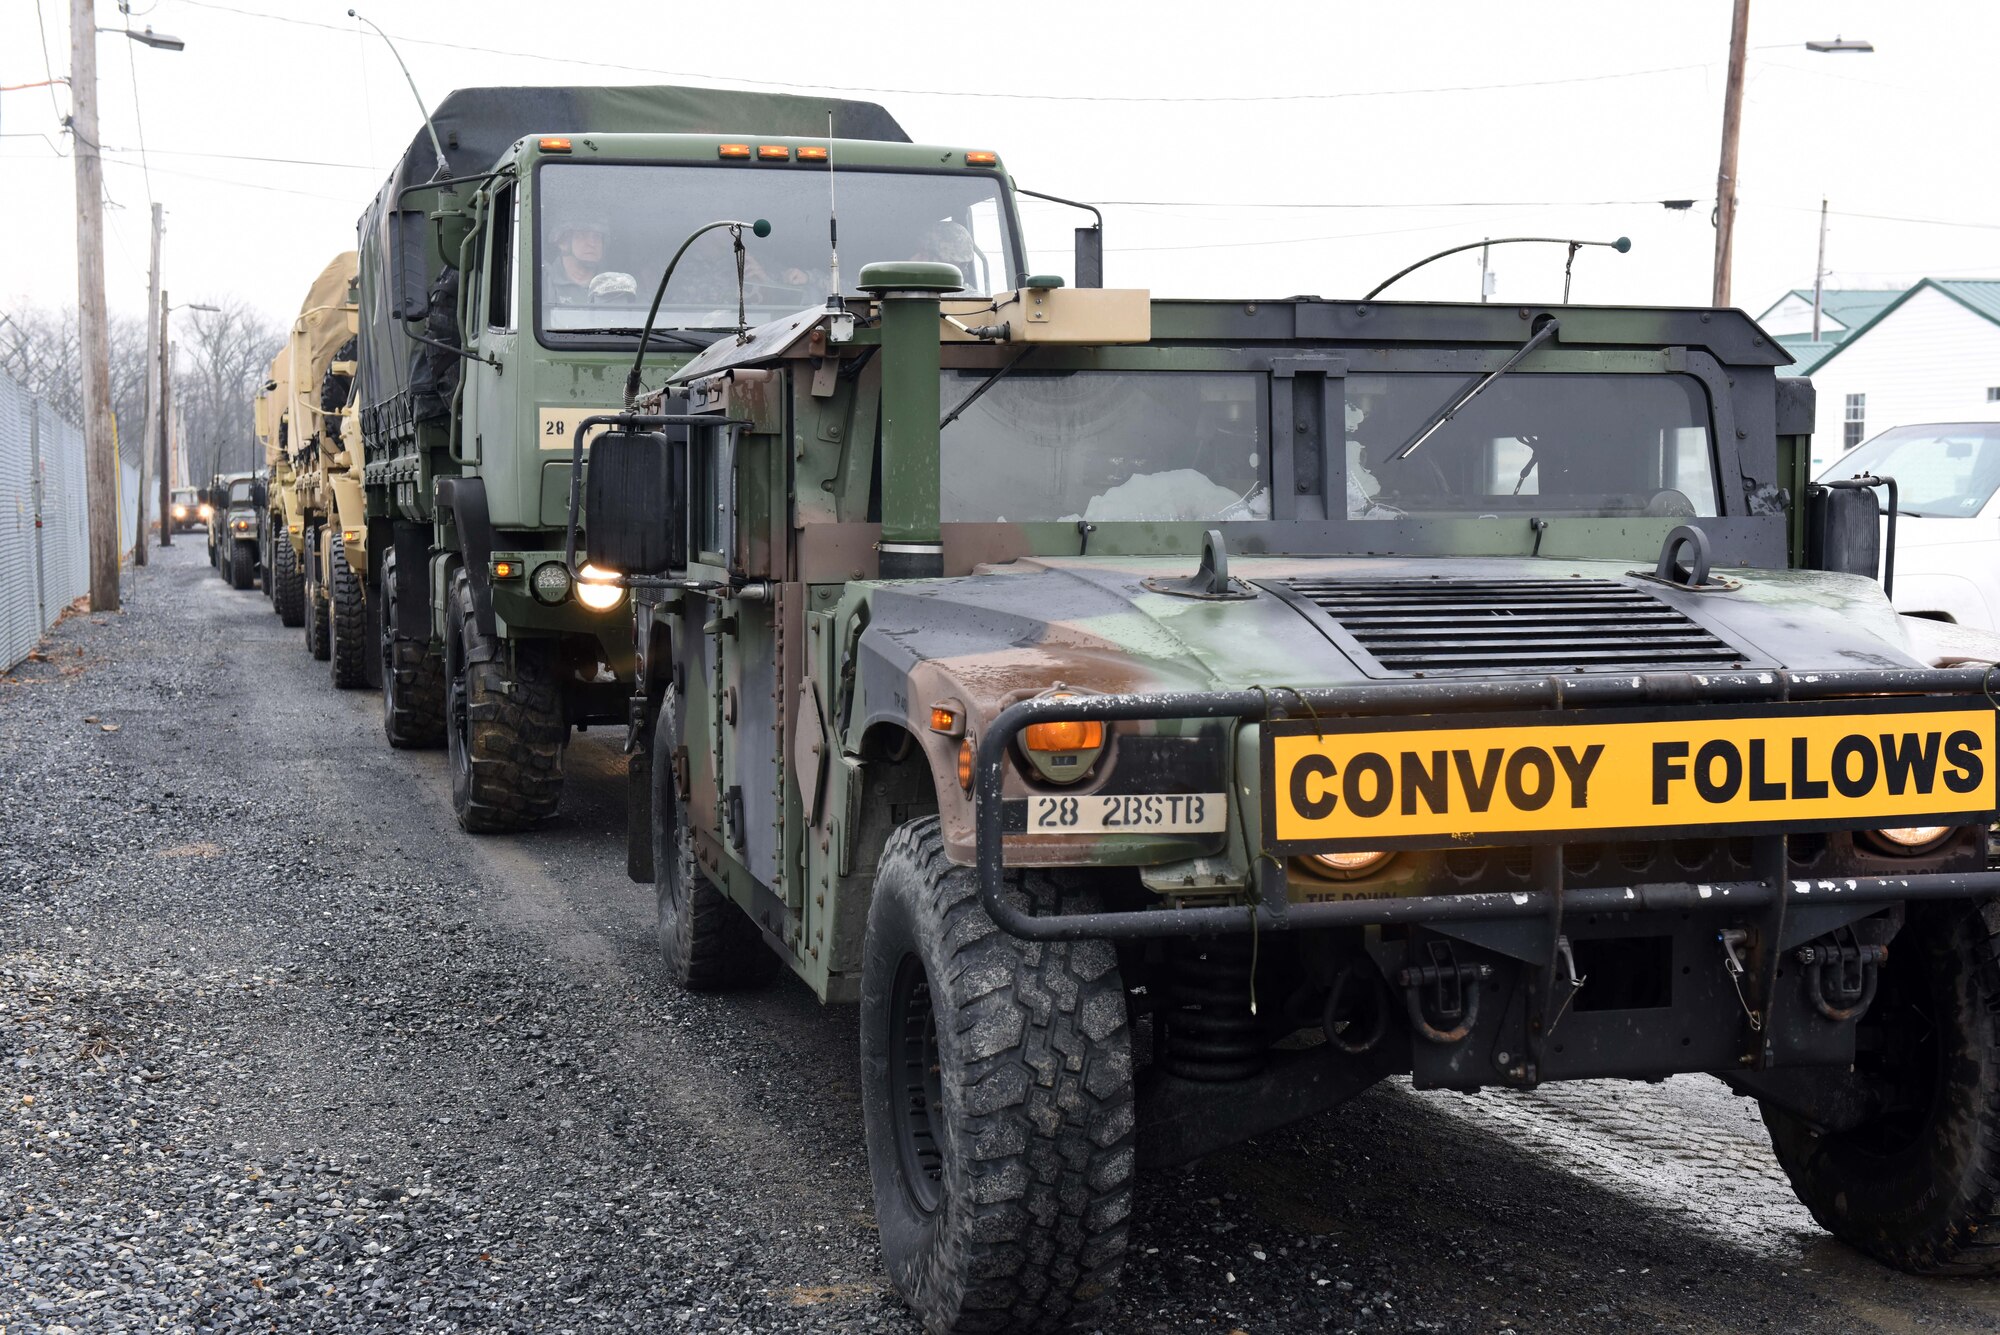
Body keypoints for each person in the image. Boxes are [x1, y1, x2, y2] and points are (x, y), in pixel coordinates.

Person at [548, 217, 614, 305]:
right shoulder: (542, 282)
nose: (592, 243)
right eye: (582, 235)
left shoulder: (614, 284)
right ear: (564, 242)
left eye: (597, 236)